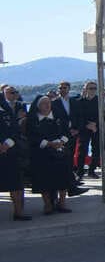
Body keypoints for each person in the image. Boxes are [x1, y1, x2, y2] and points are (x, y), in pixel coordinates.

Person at [26, 95, 74, 214]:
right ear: (38, 106)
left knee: (63, 177)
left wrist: (61, 141)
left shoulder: (59, 117)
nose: (47, 106)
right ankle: (47, 204)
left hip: (60, 151)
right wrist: (48, 144)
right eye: (44, 103)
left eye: (49, 103)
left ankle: (62, 202)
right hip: (42, 153)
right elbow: (31, 137)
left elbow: (67, 132)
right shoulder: (33, 120)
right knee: (44, 180)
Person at [1, 85, 30, 220]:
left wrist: (7, 143)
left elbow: (15, 129)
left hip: (10, 151)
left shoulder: (4, 109)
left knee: (16, 183)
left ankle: (18, 212)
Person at [71, 81, 100, 179]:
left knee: (97, 150)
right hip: (83, 128)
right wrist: (86, 125)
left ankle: (92, 170)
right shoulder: (79, 102)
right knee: (81, 151)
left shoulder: (99, 102)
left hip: (96, 128)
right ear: (86, 89)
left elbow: (103, 115)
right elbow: (78, 116)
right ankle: (80, 172)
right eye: (90, 88)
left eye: (94, 88)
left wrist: (95, 124)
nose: (93, 90)